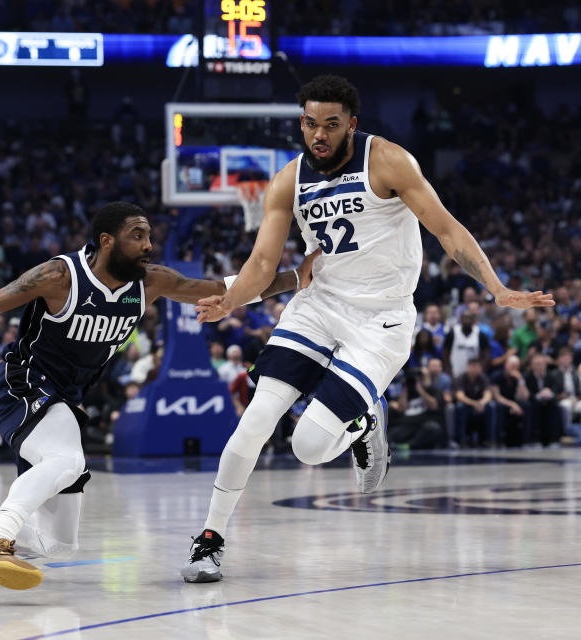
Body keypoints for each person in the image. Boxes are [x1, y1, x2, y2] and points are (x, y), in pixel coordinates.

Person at [182, 75, 553, 583]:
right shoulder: (288, 180)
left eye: (330, 125)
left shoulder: (389, 161)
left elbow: (446, 229)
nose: (319, 135)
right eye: (310, 123)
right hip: (319, 304)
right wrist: (230, 301)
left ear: (351, 125)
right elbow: (263, 261)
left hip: (382, 319)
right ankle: (210, 538)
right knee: (257, 416)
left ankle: (362, 422)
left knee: (308, 448)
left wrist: (497, 288)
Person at [0, 201, 313, 591]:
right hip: (22, 384)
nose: (148, 245)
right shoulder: (59, 276)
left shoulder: (150, 283)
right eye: (137, 236)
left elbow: (225, 290)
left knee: (57, 543)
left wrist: (295, 278)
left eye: (149, 235)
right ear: (106, 241)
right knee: (68, 460)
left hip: (63, 401)